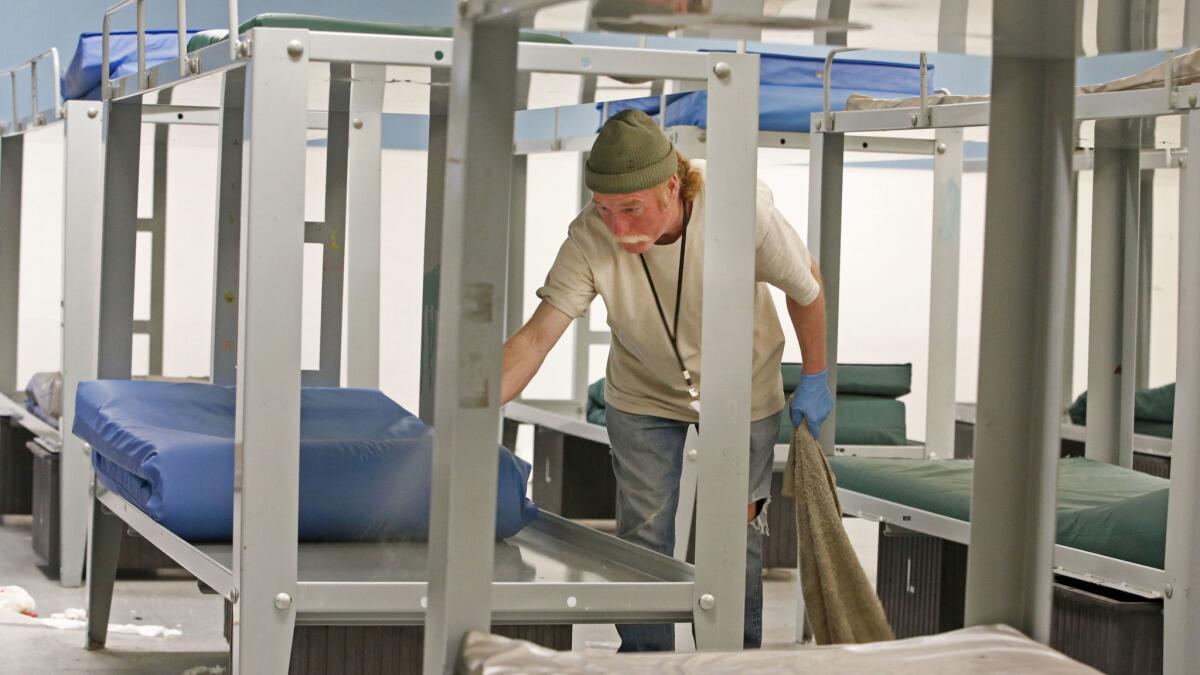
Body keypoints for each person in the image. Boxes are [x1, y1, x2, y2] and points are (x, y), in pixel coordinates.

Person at [500, 109, 831, 651]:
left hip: (740, 390)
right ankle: (645, 660)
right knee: (643, 533)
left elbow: (806, 285)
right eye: (604, 209)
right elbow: (537, 337)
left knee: (733, 533)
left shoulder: (740, 210)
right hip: (642, 392)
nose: (618, 227)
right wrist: (470, 409)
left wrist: (815, 374)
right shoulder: (589, 237)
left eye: (630, 209)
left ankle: (733, 659)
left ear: (672, 185)